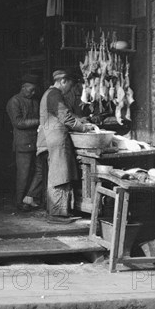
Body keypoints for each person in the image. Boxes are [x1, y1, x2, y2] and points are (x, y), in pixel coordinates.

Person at [37, 70, 95, 223]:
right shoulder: (54, 94)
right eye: (70, 84)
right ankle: (57, 215)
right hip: (56, 140)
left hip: (51, 139)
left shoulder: (49, 94)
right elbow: (64, 116)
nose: (70, 89)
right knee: (60, 175)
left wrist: (78, 119)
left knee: (56, 175)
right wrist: (83, 128)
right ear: (63, 81)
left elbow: (63, 113)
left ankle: (56, 211)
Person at [6, 74, 45, 212]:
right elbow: (18, 123)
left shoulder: (35, 100)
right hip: (23, 144)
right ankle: (19, 202)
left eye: (35, 90)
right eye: (31, 90)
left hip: (36, 141)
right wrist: (40, 121)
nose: (33, 93)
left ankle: (30, 197)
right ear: (23, 87)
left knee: (39, 171)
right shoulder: (14, 101)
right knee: (23, 174)